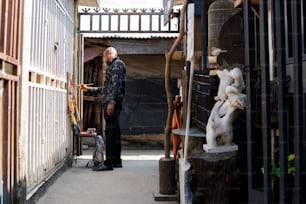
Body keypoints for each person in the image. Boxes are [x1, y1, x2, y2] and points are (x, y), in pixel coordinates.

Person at [79, 47, 126, 171]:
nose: (105, 58)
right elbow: (106, 88)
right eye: (105, 56)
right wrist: (88, 89)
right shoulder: (114, 66)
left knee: (111, 133)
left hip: (113, 104)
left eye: (107, 55)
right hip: (114, 103)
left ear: (112, 54)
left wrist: (111, 102)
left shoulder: (116, 65)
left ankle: (109, 162)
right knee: (114, 133)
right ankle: (116, 161)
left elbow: (116, 85)